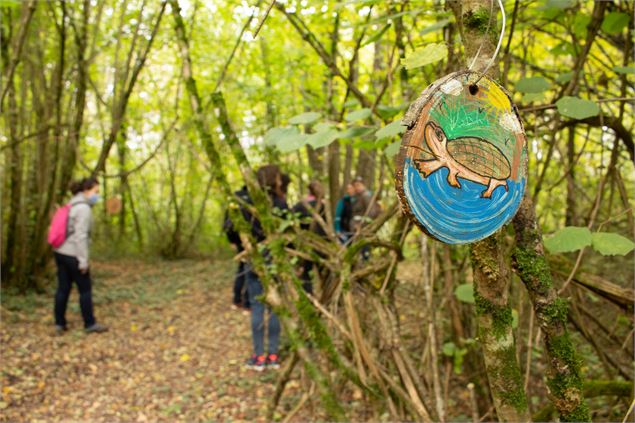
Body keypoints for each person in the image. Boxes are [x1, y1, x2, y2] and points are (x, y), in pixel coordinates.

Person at [239, 165, 287, 371]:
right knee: (271, 306)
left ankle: (261, 356)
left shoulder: (247, 201)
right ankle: (270, 355)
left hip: (257, 257)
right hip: (267, 258)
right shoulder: (278, 202)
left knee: (260, 305)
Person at [53, 177, 108, 334]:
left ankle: (59, 323)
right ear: (86, 191)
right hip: (73, 254)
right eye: (95, 191)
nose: (97, 195)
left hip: (60, 251)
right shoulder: (83, 208)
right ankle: (89, 324)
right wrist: (83, 261)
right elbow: (80, 236)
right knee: (85, 289)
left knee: (63, 288)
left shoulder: (71, 204)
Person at [292, 180, 327, 294]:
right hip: (322, 243)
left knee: (306, 272)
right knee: (325, 271)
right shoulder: (324, 205)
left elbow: (290, 216)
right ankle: (327, 297)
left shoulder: (301, 204)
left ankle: (308, 296)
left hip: (307, 242)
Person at [223, 186, 250, 310]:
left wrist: (231, 240)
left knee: (242, 268)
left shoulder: (235, 196)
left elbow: (226, 220)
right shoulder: (251, 198)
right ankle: (245, 302)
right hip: (248, 238)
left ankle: (237, 300)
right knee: (249, 268)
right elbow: (228, 219)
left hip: (238, 237)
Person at [351, 176, 382, 260]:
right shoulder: (358, 197)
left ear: (363, 185)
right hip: (358, 231)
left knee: (365, 252)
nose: (356, 188)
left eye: (358, 185)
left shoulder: (366, 196)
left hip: (364, 230)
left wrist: (361, 226)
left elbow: (371, 213)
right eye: (355, 186)